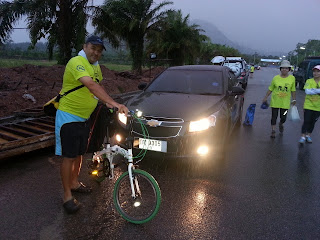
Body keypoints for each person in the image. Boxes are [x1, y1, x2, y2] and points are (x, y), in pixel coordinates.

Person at [55, 35, 129, 214]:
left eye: (99, 50)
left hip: (84, 118)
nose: (96, 52)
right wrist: (115, 103)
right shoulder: (76, 62)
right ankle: (66, 196)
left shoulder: (96, 68)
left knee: (79, 153)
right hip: (69, 117)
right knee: (69, 156)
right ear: (85, 46)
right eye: (93, 48)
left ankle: (74, 182)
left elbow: (97, 90)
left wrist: (106, 104)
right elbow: (90, 86)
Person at [262, 60, 296, 138]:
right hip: (275, 101)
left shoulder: (292, 78)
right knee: (274, 116)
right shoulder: (275, 78)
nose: (284, 70)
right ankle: (273, 130)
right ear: (280, 69)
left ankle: (281, 123)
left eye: (286, 68)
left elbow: (293, 90)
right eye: (283, 68)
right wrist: (266, 97)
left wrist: (294, 99)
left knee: (283, 116)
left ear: (289, 70)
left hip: (285, 103)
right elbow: (270, 88)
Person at [298, 65, 320, 144]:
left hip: (318, 107)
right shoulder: (309, 81)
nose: (316, 73)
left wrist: (313, 90)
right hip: (308, 105)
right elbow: (307, 91)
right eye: (314, 71)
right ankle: (303, 136)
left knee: (313, 122)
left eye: (318, 71)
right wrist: (318, 91)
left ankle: (308, 135)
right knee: (306, 121)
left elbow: (311, 91)